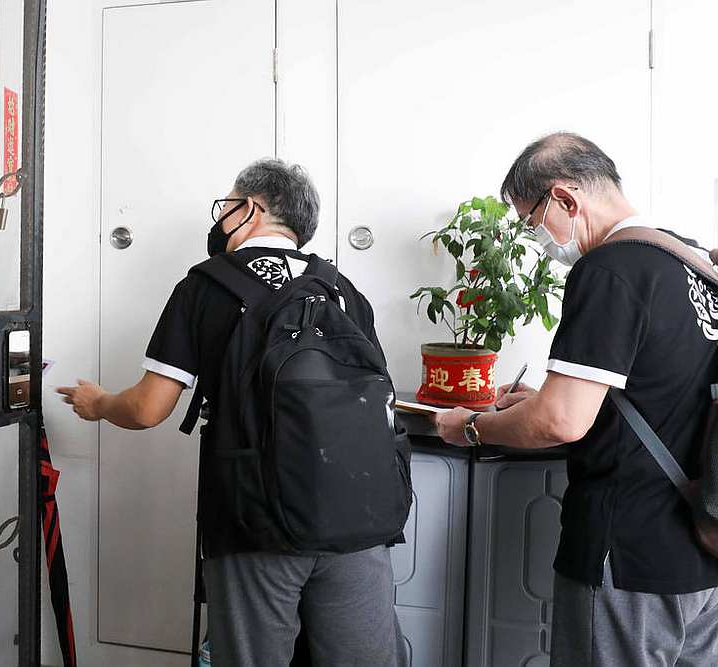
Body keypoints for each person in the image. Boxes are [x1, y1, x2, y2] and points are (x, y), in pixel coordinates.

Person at [57, 158, 407, 666]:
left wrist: (99, 404)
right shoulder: (343, 290)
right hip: (359, 517)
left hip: (254, 521)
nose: (221, 220)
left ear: (251, 209)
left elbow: (149, 407)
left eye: (228, 207)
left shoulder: (206, 286)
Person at [435, 132, 718, 665]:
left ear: (565, 199)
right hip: (704, 545)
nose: (534, 237)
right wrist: (543, 400)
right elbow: (668, 389)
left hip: (629, 553)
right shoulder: (695, 262)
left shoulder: (613, 267)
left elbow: (561, 423)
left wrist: (471, 427)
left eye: (529, 220)